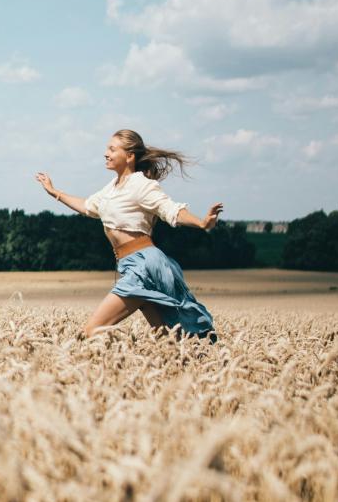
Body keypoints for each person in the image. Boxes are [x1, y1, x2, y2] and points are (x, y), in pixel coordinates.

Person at [35, 129, 223, 342]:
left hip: (144, 266)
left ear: (130, 156)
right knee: (168, 341)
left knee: (90, 332)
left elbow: (169, 209)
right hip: (131, 264)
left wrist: (201, 223)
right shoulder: (110, 189)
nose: (106, 153)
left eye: (112, 149)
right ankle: (193, 366)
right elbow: (88, 206)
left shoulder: (140, 184)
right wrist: (55, 192)